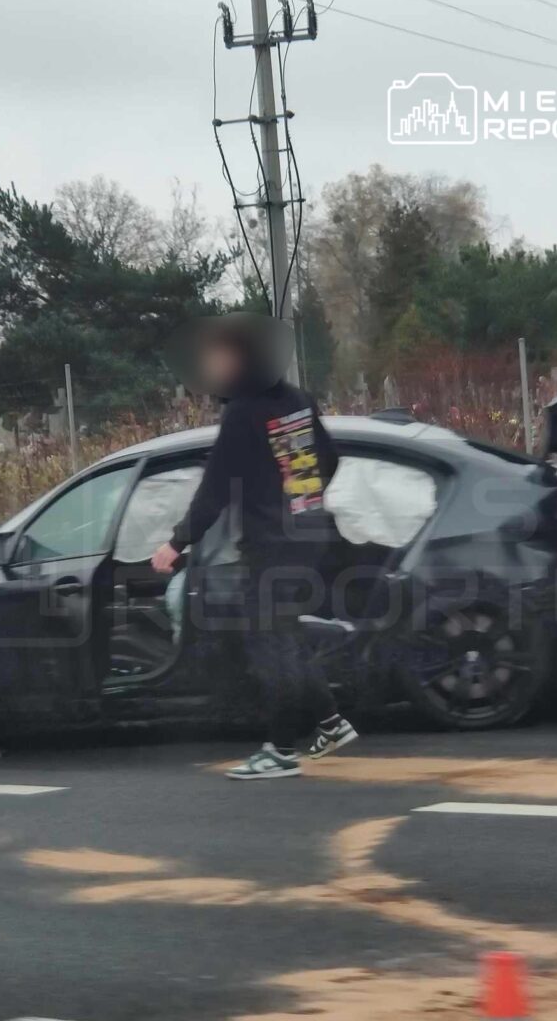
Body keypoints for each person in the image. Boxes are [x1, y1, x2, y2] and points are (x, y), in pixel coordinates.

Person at [151, 314, 357, 780]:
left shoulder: (244, 412)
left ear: (242, 359)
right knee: (285, 635)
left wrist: (176, 543)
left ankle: (280, 750)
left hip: (272, 546)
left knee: (268, 646)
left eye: (218, 357)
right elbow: (328, 459)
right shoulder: (297, 401)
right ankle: (330, 722)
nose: (211, 366)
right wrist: (299, 500)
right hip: (309, 537)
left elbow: (215, 488)